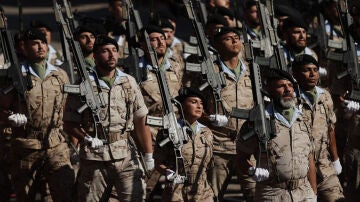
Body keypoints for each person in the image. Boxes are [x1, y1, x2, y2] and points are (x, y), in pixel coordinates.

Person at [63, 35, 154, 202]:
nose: (111, 55)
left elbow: (140, 120)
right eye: (105, 51)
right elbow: (69, 123)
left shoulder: (129, 82)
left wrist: (148, 155)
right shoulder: (83, 85)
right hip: (94, 159)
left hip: (125, 154)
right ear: (95, 56)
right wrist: (87, 138)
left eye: (114, 50)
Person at [1, 28, 74, 201]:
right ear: (24, 48)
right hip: (27, 146)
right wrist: (9, 117)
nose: (40, 46)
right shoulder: (15, 76)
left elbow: (66, 109)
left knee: (64, 193)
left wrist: (73, 141)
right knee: (26, 196)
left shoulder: (60, 75)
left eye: (43, 42)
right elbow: (1, 108)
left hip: (56, 144)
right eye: (34, 43)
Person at [236, 68, 317, 201]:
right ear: (269, 91)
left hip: (304, 193)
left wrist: (314, 193)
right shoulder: (258, 122)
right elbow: (241, 157)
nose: (288, 89)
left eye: (290, 85)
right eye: (281, 86)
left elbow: (309, 157)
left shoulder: (304, 119)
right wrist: (252, 170)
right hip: (272, 194)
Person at [292, 54, 345, 201]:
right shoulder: (289, 99)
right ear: (295, 74)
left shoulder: (325, 96)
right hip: (299, 167)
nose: (312, 74)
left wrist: (335, 159)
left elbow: (330, 129)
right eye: (307, 70)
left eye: (315, 70)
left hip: (323, 164)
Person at [154, 87, 214, 202]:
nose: (199, 106)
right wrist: (168, 173)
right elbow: (158, 162)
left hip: (202, 189)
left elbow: (210, 164)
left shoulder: (207, 132)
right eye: (194, 102)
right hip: (177, 190)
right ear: (182, 105)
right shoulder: (169, 132)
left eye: (201, 103)